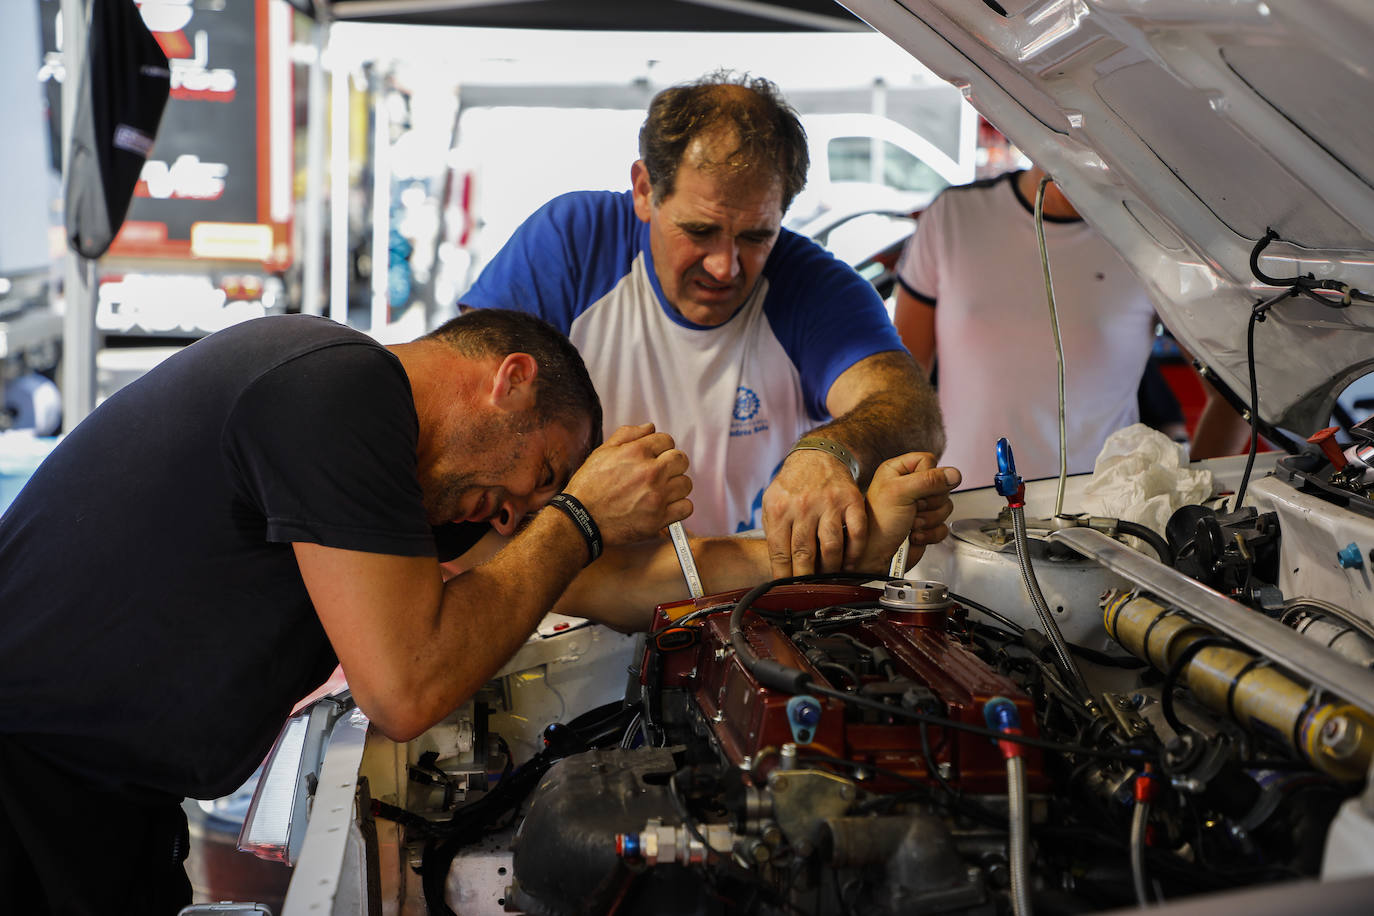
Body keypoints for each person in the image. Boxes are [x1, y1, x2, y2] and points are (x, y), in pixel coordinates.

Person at [0, 309, 959, 913]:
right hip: (21, 790)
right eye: (537, 474)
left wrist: (839, 550)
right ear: (510, 379)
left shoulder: (407, 493)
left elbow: (624, 582)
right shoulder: (334, 388)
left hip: (108, 811)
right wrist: (578, 514)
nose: (511, 516)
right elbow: (406, 687)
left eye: (532, 506)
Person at [459, 71, 945, 579]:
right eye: (700, 230)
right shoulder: (575, 242)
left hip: (746, 598)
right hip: (577, 594)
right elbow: (467, 411)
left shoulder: (812, 284)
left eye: (756, 236)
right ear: (645, 190)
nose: (725, 266)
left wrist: (830, 452)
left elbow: (912, 410)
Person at [893, 165, 1247, 489]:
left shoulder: (1151, 241)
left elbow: (1240, 395)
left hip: (1100, 525)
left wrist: (1192, 501)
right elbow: (901, 384)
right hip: (957, 510)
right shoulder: (956, 215)